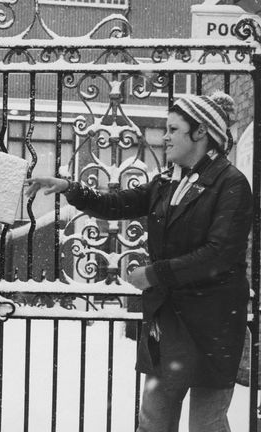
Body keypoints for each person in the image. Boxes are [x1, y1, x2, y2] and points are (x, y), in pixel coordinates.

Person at [25, 91, 251, 432]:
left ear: (201, 132)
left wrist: (154, 274)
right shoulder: (167, 182)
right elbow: (116, 204)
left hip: (213, 324)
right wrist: (69, 187)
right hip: (168, 321)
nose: (165, 137)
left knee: (206, 425)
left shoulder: (231, 184)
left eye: (174, 129)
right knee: (153, 422)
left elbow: (218, 254)